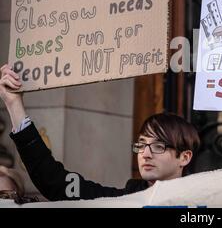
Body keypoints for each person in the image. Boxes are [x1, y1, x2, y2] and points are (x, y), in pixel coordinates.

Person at [0, 64, 200, 201]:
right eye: (140, 145)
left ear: (184, 157)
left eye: (157, 146)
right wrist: (14, 104)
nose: (145, 154)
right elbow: (55, 183)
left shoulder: (209, 199)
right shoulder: (125, 199)